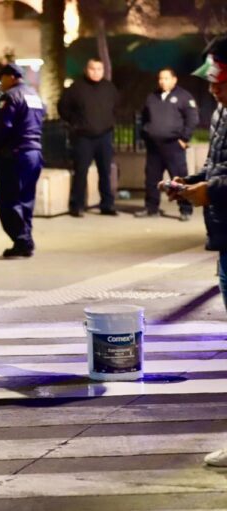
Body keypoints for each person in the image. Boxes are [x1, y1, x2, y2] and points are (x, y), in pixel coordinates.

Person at [167, 35, 227, 468]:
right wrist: (190, 182)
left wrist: (212, 190)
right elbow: (221, 166)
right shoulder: (223, 110)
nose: (212, 87)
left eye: (218, 78)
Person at [0, 63, 45, 257]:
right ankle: (25, 238)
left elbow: (1, 128)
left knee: (8, 201)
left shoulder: (10, 97)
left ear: (11, 77)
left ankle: (23, 240)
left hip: (15, 155)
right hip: (34, 153)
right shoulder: (34, 96)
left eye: (0, 78)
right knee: (26, 199)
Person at [58, 58, 119, 217]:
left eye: (99, 69)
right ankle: (77, 206)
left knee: (105, 172)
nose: (96, 72)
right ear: (86, 69)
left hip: (104, 136)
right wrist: (75, 123)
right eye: (92, 69)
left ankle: (107, 205)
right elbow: (63, 107)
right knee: (81, 172)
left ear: (103, 70)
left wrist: (110, 122)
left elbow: (116, 107)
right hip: (83, 137)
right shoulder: (76, 88)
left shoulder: (109, 87)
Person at [136, 67, 198, 220]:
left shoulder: (184, 96)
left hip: (173, 146)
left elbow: (192, 119)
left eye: (166, 78)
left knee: (178, 180)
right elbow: (144, 118)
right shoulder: (152, 96)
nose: (162, 81)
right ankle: (151, 208)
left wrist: (184, 138)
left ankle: (185, 210)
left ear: (174, 79)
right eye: (160, 78)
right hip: (154, 147)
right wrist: (146, 133)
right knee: (151, 179)